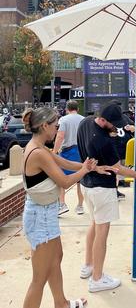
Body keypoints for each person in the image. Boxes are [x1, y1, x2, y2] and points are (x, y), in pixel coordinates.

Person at [21, 107, 104, 308]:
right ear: (44, 126)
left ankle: (62, 303)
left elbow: (64, 162)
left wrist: (87, 165)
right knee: (39, 278)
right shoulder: (37, 152)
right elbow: (65, 182)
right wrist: (85, 170)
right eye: (55, 126)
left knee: (56, 258)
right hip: (40, 217)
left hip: (46, 214)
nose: (57, 130)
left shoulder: (39, 148)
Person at [77, 104, 136, 293]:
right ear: (104, 120)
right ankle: (97, 278)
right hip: (102, 189)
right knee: (102, 233)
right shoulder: (103, 141)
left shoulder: (85, 123)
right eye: (113, 124)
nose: (116, 127)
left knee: (94, 224)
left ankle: (88, 265)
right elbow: (119, 169)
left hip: (86, 184)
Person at [53, 100, 85, 215]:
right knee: (80, 181)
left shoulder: (63, 120)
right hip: (81, 152)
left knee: (61, 179)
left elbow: (60, 136)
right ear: (78, 109)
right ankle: (80, 206)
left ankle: (62, 204)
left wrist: (54, 151)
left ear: (67, 109)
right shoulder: (83, 119)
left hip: (67, 152)